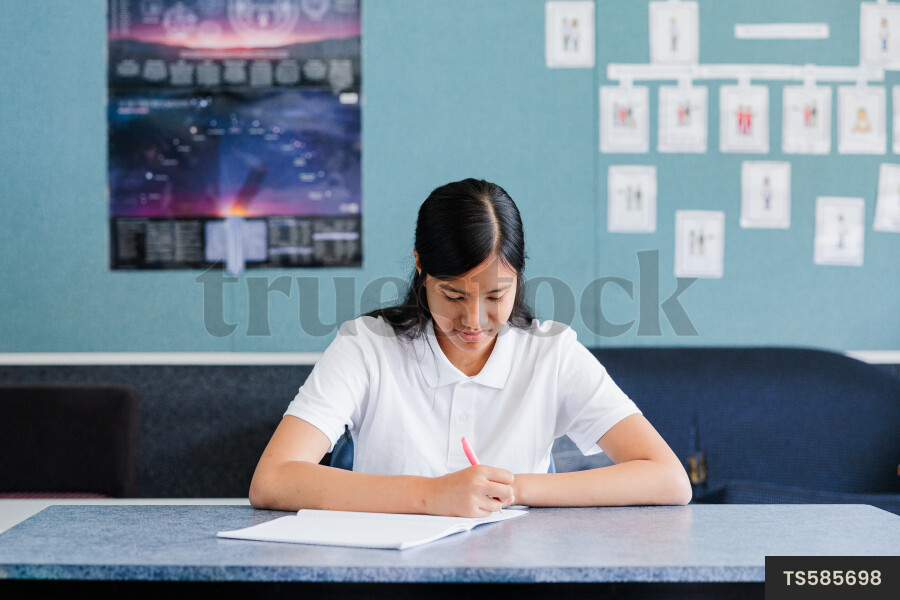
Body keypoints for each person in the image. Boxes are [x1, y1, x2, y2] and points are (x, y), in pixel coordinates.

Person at [250, 178, 692, 517]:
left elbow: (669, 479)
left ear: (519, 274)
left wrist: (510, 489)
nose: (474, 321)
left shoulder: (551, 353)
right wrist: (432, 495)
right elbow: (272, 480)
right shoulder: (367, 346)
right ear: (422, 266)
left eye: (496, 297)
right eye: (455, 296)